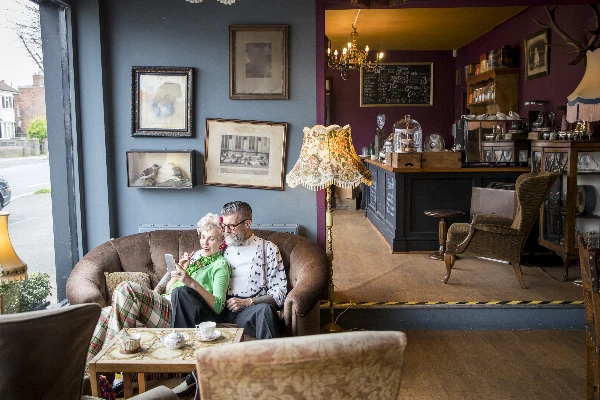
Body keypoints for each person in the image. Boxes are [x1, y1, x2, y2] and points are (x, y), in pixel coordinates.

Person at [171, 201, 287, 398]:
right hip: (214, 306)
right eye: (224, 225)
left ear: (247, 223)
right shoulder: (216, 244)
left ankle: (269, 383)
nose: (226, 230)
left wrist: (250, 302)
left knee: (266, 311)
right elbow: (189, 279)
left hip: (246, 310)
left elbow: (280, 292)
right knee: (181, 293)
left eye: (231, 226)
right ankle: (191, 375)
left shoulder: (268, 249)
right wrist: (185, 269)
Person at [86, 213, 231, 366]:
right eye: (202, 237)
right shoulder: (196, 258)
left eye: (211, 238)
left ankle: (113, 364)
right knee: (106, 313)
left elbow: (218, 306)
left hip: (180, 313)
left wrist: (190, 281)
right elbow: (169, 289)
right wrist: (181, 269)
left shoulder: (221, 265)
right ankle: (87, 373)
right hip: (165, 304)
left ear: (222, 240)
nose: (204, 243)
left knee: (125, 288)